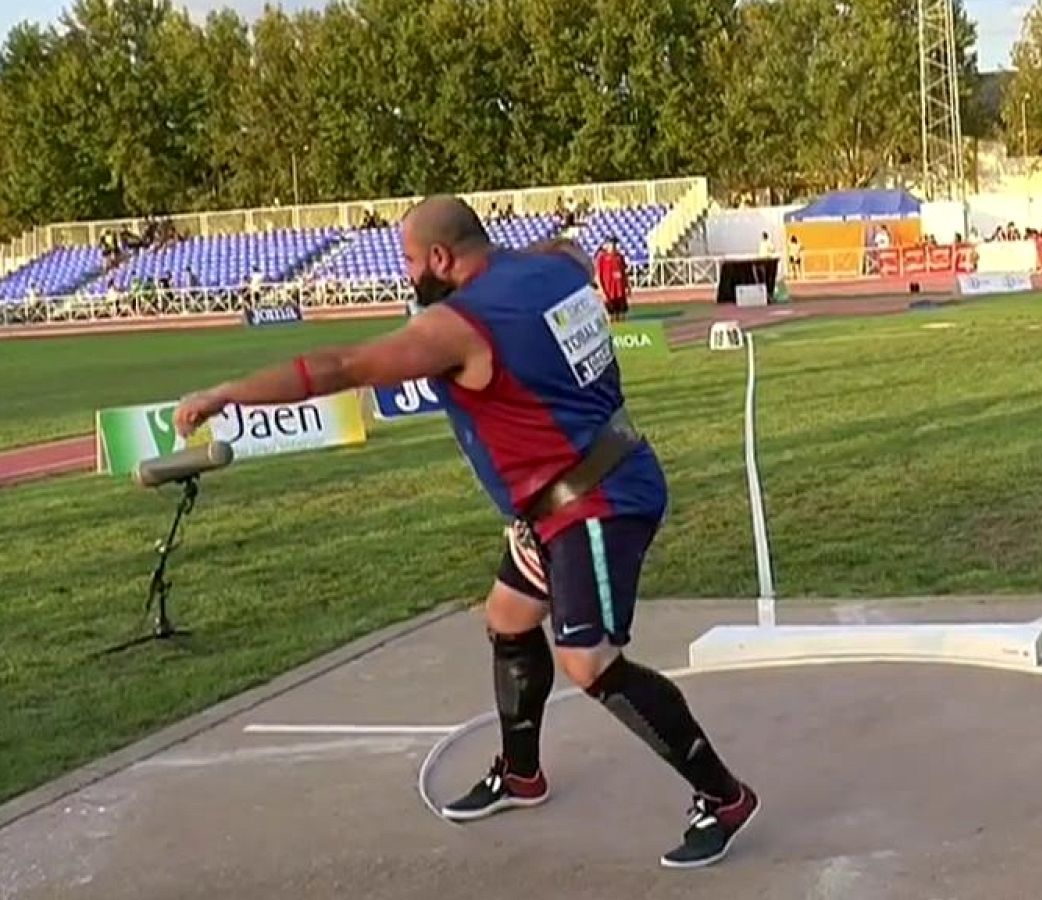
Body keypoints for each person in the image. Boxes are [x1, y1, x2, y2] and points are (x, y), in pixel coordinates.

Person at [172, 195, 760, 870]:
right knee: (508, 618)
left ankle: (723, 795)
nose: (407, 273)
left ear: (443, 259)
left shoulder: (460, 326)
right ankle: (520, 772)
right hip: (564, 495)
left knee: (588, 661)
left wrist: (226, 393)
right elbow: (556, 254)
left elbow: (340, 369)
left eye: (412, 261)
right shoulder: (559, 267)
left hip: (594, 501)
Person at [595, 236, 630, 322]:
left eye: (615, 243)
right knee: (610, 317)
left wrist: (628, 286)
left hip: (620, 292)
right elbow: (598, 276)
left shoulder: (620, 257)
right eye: (611, 243)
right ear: (607, 245)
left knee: (622, 317)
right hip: (609, 293)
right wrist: (602, 291)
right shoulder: (602, 258)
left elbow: (624, 273)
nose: (613, 246)